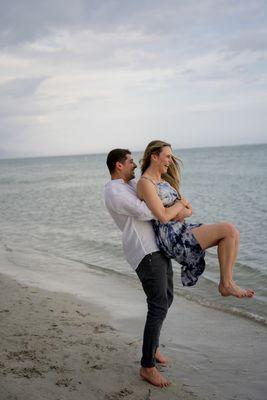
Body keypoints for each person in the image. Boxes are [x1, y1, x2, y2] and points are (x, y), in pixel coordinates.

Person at [104, 148, 189, 388]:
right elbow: (145, 211)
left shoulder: (130, 186)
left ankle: (153, 347)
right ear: (119, 165)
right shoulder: (114, 190)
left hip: (157, 247)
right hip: (144, 250)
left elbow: (152, 199)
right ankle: (147, 366)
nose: (134, 164)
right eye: (130, 161)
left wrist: (165, 204)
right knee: (158, 303)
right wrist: (175, 206)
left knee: (167, 298)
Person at [137, 140, 255, 298]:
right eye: (168, 157)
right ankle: (226, 284)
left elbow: (189, 210)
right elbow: (164, 217)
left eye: (171, 157)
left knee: (233, 234)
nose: (170, 161)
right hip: (172, 237)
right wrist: (179, 205)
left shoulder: (164, 181)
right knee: (228, 230)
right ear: (154, 157)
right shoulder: (146, 183)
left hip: (181, 228)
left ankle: (228, 282)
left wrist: (179, 210)